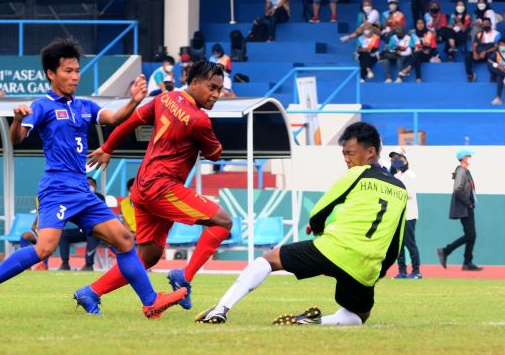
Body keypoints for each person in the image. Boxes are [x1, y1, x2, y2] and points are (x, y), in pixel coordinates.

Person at [0, 37, 186, 320]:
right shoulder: (42, 106)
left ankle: (150, 301)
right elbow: (18, 139)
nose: (75, 76)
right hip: (57, 187)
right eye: (68, 71)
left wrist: (134, 101)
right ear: (51, 73)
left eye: (76, 70)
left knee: (123, 240)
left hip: (82, 189)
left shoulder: (84, 106)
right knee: (45, 247)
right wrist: (15, 120)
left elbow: (112, 117)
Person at [195, 122, 407, 325]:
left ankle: (221, 308)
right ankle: (317, 323)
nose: (346, 159)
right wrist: (376, 272)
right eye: (343, 153)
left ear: (370, 152)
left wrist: (316, 228)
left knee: (269, 259)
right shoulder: (400, 189)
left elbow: (318, 212)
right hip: (366, 265)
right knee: (360, 315)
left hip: (334, 248)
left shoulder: (356, 174)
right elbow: (395, 244)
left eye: (350, 153)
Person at [74, 61, 232, 315]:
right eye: (211, 87)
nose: (215, 94)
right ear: (194, 83)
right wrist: (215, 146)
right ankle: (184, 275)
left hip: (143, 186)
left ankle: (90, 292)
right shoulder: (199, 119)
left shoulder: (164, 99)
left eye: (219, 89)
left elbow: (131, 122)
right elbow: (214, 154)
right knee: (223, 222)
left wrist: (108, 148)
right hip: (163, 187)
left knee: (148, 255)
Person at [436, 148, 483, 272]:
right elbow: (458, 189)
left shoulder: (465, 171)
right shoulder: (462, 171)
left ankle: (467, 262)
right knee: (471, 235)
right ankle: (446, 251)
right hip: (466, 208)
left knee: (471, 236)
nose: (470, 158)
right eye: (469, 156)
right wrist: (468, 203)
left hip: (467, 207)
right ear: (464, 158)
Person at [57, 177, 104, 271]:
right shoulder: (77, 198)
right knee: (63, 234)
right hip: (82, 229)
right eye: (86, 184)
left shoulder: (100, 197)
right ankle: (65, 263)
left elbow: (100, 216)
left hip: (95, 230)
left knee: (92, 234)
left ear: (95, 186)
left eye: (91, 184)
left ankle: (88, 265)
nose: (88, 186)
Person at [389, 149, 421, 279]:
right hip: (398, 215)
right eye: (393, 158)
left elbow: (409, 194)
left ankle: (416, 271)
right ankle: (402, 271)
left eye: (398, 157)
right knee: (399, 245)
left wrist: (393, 193)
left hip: (409, 215)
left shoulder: (410, 175)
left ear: (405, 160)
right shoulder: (397, 176)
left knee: (410, 243)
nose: (394, 160)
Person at [465, 17, 501, 82]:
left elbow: (496, 47)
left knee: (494, 55)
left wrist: (485, 52)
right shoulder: (479, 34)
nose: (485, 25)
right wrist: (475, 53)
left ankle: (494, 75)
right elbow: (474, 45)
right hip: (479, 54)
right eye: (484, 24)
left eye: (487, 24)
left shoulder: (496, 34)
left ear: (491, 24)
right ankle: (470, 74)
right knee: (468, 55)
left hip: (489, 53)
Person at [18, 197, 49, 270]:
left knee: (47, 243)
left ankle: (44, 264)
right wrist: (35, 222)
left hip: (49, 227)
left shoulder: (54, 196)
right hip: (38, 229)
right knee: (24, 236)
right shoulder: (38, 198)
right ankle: (26, 263)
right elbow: (39, 213)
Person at [405, 17, 438, 83]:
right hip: (417, 55)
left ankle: (409, 69)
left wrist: (428, 51)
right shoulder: (413, 35)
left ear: (424, 24)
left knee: (416, 56)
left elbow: (434, 48)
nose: (420, 25)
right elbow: (411, 47)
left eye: (422, 23)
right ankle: (418, 78)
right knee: (416, 56)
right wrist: (415, 50)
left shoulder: (430, 34)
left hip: (427, 55)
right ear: (416, 25)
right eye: (418, 23)